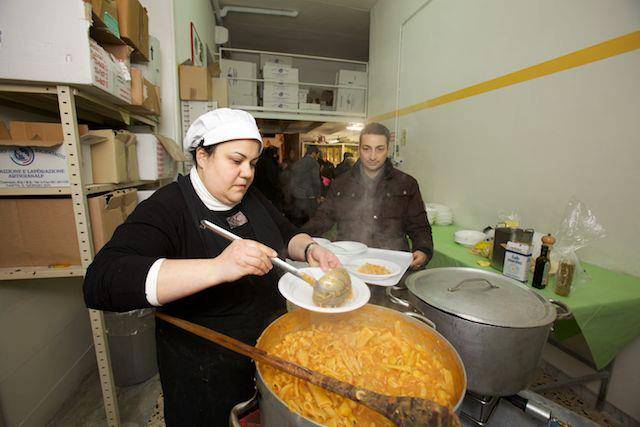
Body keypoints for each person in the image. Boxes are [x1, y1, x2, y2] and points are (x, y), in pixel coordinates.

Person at [82, 108, 341, 426]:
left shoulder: (251, 197)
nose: (247, 173)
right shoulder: (167, 208)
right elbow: (102, 280)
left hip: (265, 355)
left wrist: (311, 248)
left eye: (252, 163)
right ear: (202, 156)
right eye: (236, 161)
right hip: (204, 374)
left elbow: (286, 234)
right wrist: (218, 267)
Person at [302, 122, 433, 270]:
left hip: (392, 265)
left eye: (379, 149)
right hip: (350, 263)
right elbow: (322, 219)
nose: (372, 156)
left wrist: (423, 250)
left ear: (388, 150)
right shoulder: (341, 183)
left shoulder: (407, 184)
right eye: (366, 149)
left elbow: (420, 226)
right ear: (359, 149)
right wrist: (298, 239)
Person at [289, 145, 322, 226]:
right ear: (314, 153)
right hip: (309, 195)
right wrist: (318, 196)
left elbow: (292, 179)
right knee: (310, 218)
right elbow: (316, 181)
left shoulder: (298, 162)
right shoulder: (314, 163)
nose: (317, 156)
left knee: (298, 218)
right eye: (317, 154)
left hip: (297, 194)